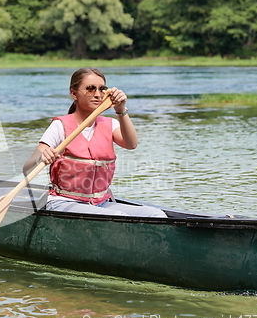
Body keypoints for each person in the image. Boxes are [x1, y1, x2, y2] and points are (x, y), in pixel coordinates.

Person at [23, 67, 166, 217]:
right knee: (116, 216)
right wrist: (42, 157)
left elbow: (131, 144)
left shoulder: (110, 124)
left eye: (102, 89)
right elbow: (28, 167)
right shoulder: (60, 126)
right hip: (63, 202)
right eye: (90, 89)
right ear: (74, 93)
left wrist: (121, 109)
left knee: (155, 214)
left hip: (102, 203)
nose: (98, 94)